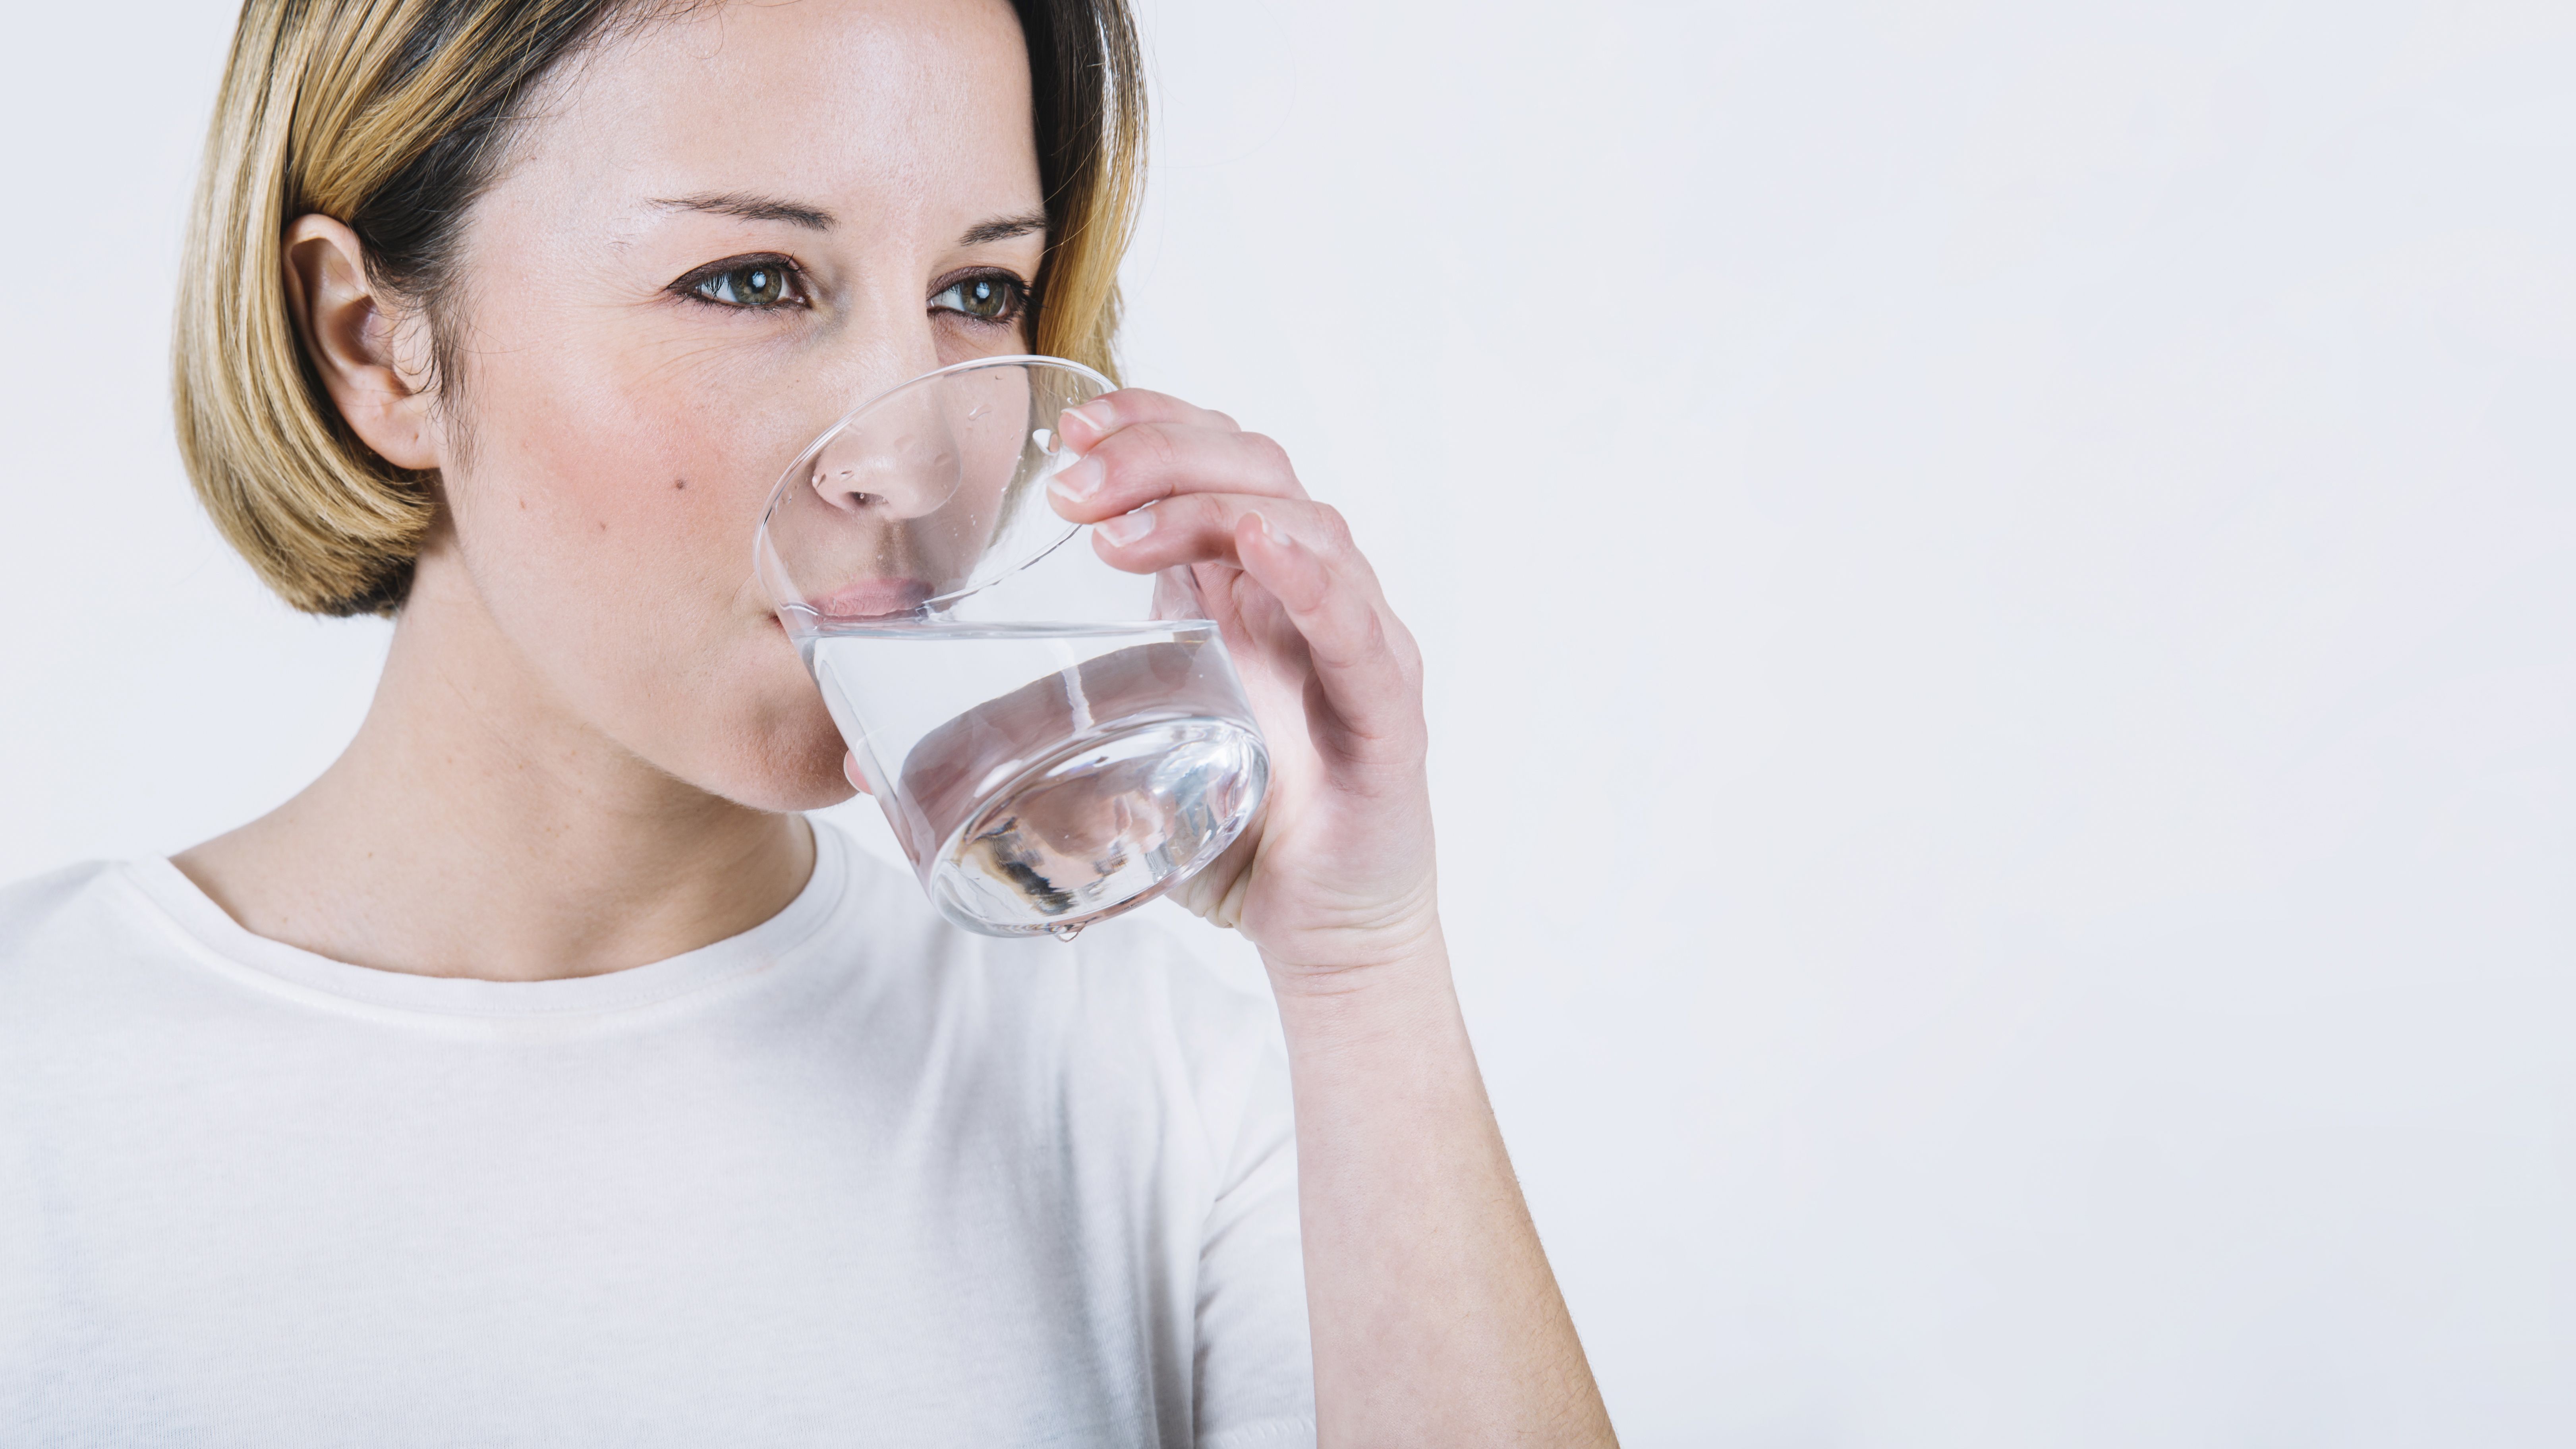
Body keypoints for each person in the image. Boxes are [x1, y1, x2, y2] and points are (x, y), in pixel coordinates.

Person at [0, 0, 1617, 1443]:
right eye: (753, 280)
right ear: (378, 346)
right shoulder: (39, 1091)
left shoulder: (1160, 1086)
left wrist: (1360, 963)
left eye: (978, 290)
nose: (913, 464)